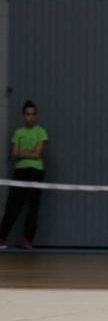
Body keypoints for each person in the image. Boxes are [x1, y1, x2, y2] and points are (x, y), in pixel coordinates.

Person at [0, 101, 47, 250]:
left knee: (33, 207)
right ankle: (2, 239)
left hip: (36, 172)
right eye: (28, 114)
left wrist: (23, 153)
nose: (30, 117)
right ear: (23, 115)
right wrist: (30, 153)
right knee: (12, 207)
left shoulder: (41, 132)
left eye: (33, 114)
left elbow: (38, 154)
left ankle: (27, 241)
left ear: (36, 115)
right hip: (20, 171)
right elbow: (15, 154)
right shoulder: (18, 133)